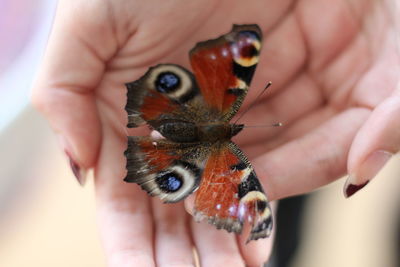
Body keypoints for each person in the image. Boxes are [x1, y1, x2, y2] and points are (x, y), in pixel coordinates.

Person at [32, 0, 399, 266]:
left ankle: (281, 252)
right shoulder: (233, 156)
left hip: (185, 106)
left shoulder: (228, 100)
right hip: (197, 147)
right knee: (270, 196)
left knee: (286, 197)